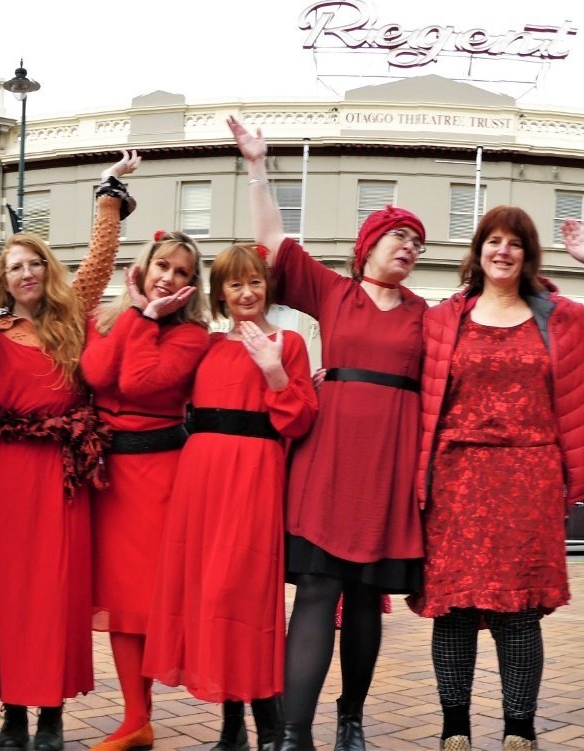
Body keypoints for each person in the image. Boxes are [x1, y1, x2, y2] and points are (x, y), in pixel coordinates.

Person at [409, 207, 584, 751]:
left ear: (528, 254)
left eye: (514, 243)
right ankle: (455, 729)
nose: (502, 251)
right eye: (493, 241)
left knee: (518, 613)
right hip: (456, 480)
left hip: (529, 479)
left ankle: (519, 729)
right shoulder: (444, 318)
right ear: (478, 250)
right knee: (456, 610)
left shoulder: (563, 318)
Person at [232, 116, 424, 750]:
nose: (408, 247)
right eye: (397, 236)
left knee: (366, 597)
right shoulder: (336, 292)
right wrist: (258, 166)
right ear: (366, 247)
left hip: (387, 466)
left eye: (415, 242)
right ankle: (292, 734)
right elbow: (273, 239)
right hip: (330, 459)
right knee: (317, 588)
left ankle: (351, 718)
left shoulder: (428, 314)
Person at [0, 152, 139, 751]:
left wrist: (109, 196)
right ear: (3, 279)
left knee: (55, 596)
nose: (25, 273)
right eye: (14, 266)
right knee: (7, 597)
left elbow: (98, 262)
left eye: (33, 263)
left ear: (46, 269)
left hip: (60, 474)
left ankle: (50, 713)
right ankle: (14, 713)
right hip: (0, 473)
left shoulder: (71, 322)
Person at [144, 243, 317, 751]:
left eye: (255, 282)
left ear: (268, 287)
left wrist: (274, 371)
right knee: (210, 595)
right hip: (201, 479)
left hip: (254, 477)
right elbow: (151, 383)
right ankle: (232, 725)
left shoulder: (288, 343)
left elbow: (301, 420)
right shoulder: (207, 345)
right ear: (220, 293)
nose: (246, 292)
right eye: (235, 284)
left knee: (241, 595)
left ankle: (270, 723)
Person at [81, 201, 210, 751]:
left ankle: (141, 716)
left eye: (182, 272)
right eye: (164, 266)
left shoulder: (191, 335)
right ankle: (136, 719)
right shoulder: (110, 316)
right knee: (121, 603)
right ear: (145, 266)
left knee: (145, 602)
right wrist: (135, 315)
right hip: (111, 476)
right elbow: (95, 373)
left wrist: (149, 318)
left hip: (159, 475)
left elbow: (135, 383)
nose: (170, 278)